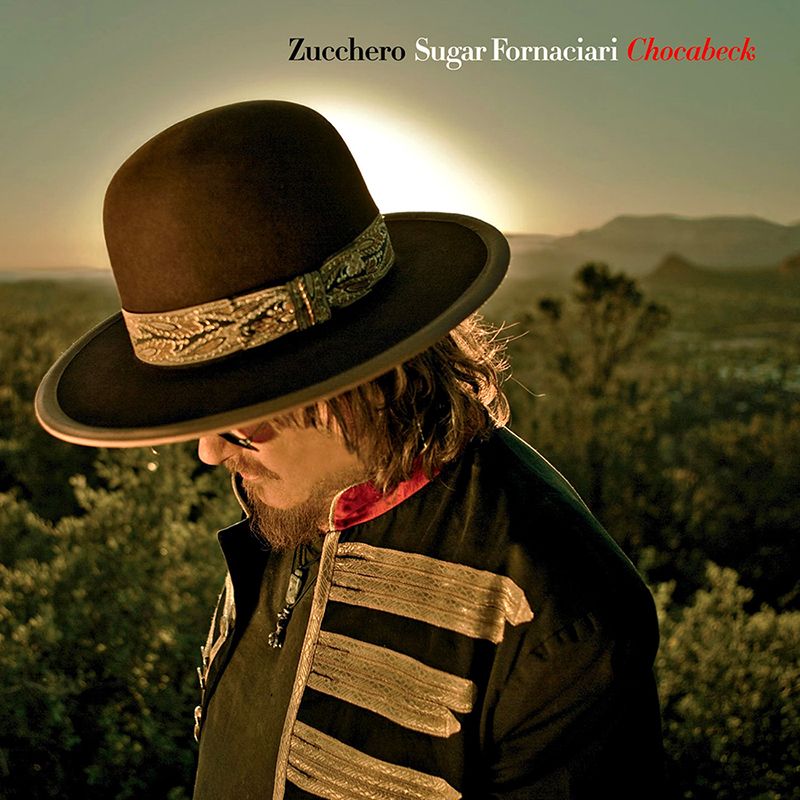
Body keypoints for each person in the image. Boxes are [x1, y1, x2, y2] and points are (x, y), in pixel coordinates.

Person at [35, 100, 665, 798]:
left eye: (241, 416)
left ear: (360, 377)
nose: (210, 453)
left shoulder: (561, 615)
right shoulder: (292, 494)